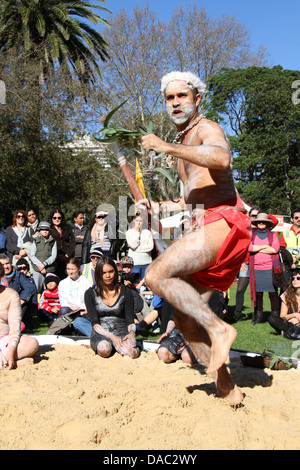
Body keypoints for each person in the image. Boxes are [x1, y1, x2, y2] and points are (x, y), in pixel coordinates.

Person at [138, 71, 251, 405]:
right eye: (169, 98)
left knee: (155, 275)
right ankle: (227, 387)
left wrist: (163, 145)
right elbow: (191, 199)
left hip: (225, 222)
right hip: (205, 222)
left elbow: (221, 158)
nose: (175, 103)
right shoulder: (183, 145)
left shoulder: (207, 128)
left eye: (181, 96)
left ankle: (219, 328)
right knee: (184, 319)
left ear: (196, 98)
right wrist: (156, 206)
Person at [85, 257, 140, 358]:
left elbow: (130, 320)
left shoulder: (126, 292)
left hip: (122, 331)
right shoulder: (90, 293)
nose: (108, 276)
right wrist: (112, 337)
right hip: (101, 332)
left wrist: (131, 333)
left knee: (131, 353)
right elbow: (95, 323)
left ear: (116, 272)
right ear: (98, 274)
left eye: (111, 272)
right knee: (104, 349)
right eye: (104, 273)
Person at [0, 262, 39, 369]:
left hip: (5, 341)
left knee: (31, 343)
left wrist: (11, 350)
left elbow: (15, 326)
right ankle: (13, 363)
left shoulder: (11, 295)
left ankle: (7, 359)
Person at [248, 212, 281, 324]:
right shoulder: (251, 235)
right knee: (258, 294)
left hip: (270, 269)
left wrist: (257, 248)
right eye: (259, 221)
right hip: (256, 269)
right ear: (256, 223)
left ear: (267, 223)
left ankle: (275, 317)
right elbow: (248, 247)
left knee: (273, 293)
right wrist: (264, 247)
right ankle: (258, 317)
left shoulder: (273, 235)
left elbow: (274, 249)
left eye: (264, 221)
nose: (261, 223)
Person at [0, 253, 36, 328]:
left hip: (16, 306)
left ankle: (16, 324)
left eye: (7, 263)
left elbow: (30, 287)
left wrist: (20, 301)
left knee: (26, 300)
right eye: (2, 264)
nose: (6, 267)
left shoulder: (18, 274)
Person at [268, 269, 300, 337]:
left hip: (296, 322)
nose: (295, 280)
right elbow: (282, 316)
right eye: (293, 278)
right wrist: (294, 315)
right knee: (272, 319)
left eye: (298, 278)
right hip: (291, 323)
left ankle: (289, 333)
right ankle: (293, 332)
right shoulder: (286, 295)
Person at [30, 221, 57, 294]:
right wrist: (39, 265)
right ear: (39, 231)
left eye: (47, 229)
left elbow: (53, 256)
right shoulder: (36, 240)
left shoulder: (53, 241)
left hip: (49, 269)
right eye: (43, 229)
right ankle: (37, 304)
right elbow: (32, 255)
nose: (45, 231)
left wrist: (44, 264)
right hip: (37, 269)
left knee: (49, 289)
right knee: (36, 289)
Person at [125, 212, 154, 281]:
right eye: (137, 220)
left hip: (147, 263)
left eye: (140, 221)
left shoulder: (147, 232)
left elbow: (150, 247)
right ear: (133, 221)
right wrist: (137, 231)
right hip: (134, 264)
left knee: (146, 284)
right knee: (135, 284)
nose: (139, 223)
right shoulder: (129, 232)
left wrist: (138, 249)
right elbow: (134, 245)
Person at [49, 208, 75, 280]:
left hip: (66, 257)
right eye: (54, 218)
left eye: (59, 218)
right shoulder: (49, 229)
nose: (57, 219)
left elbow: (73, 241)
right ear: (51, 219)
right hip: (55, 258)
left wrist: (69, 253)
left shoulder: (67, 228)